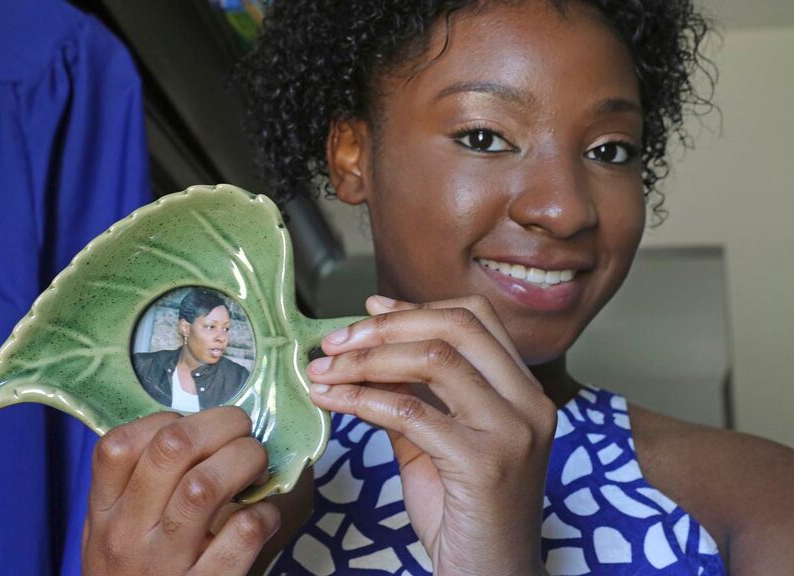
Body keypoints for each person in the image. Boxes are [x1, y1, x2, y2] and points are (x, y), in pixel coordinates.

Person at [82, 1, 794, 575]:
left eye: (610, 150)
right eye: (485, 137)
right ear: (352, 153)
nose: (565, 208)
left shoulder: (756, 498)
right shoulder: (219, 483)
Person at [132, 288, 250, 412]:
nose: (222, 338)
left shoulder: (238, 379)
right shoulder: (143, 366)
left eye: (226, 328)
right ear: (185, 328)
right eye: (210, 326)